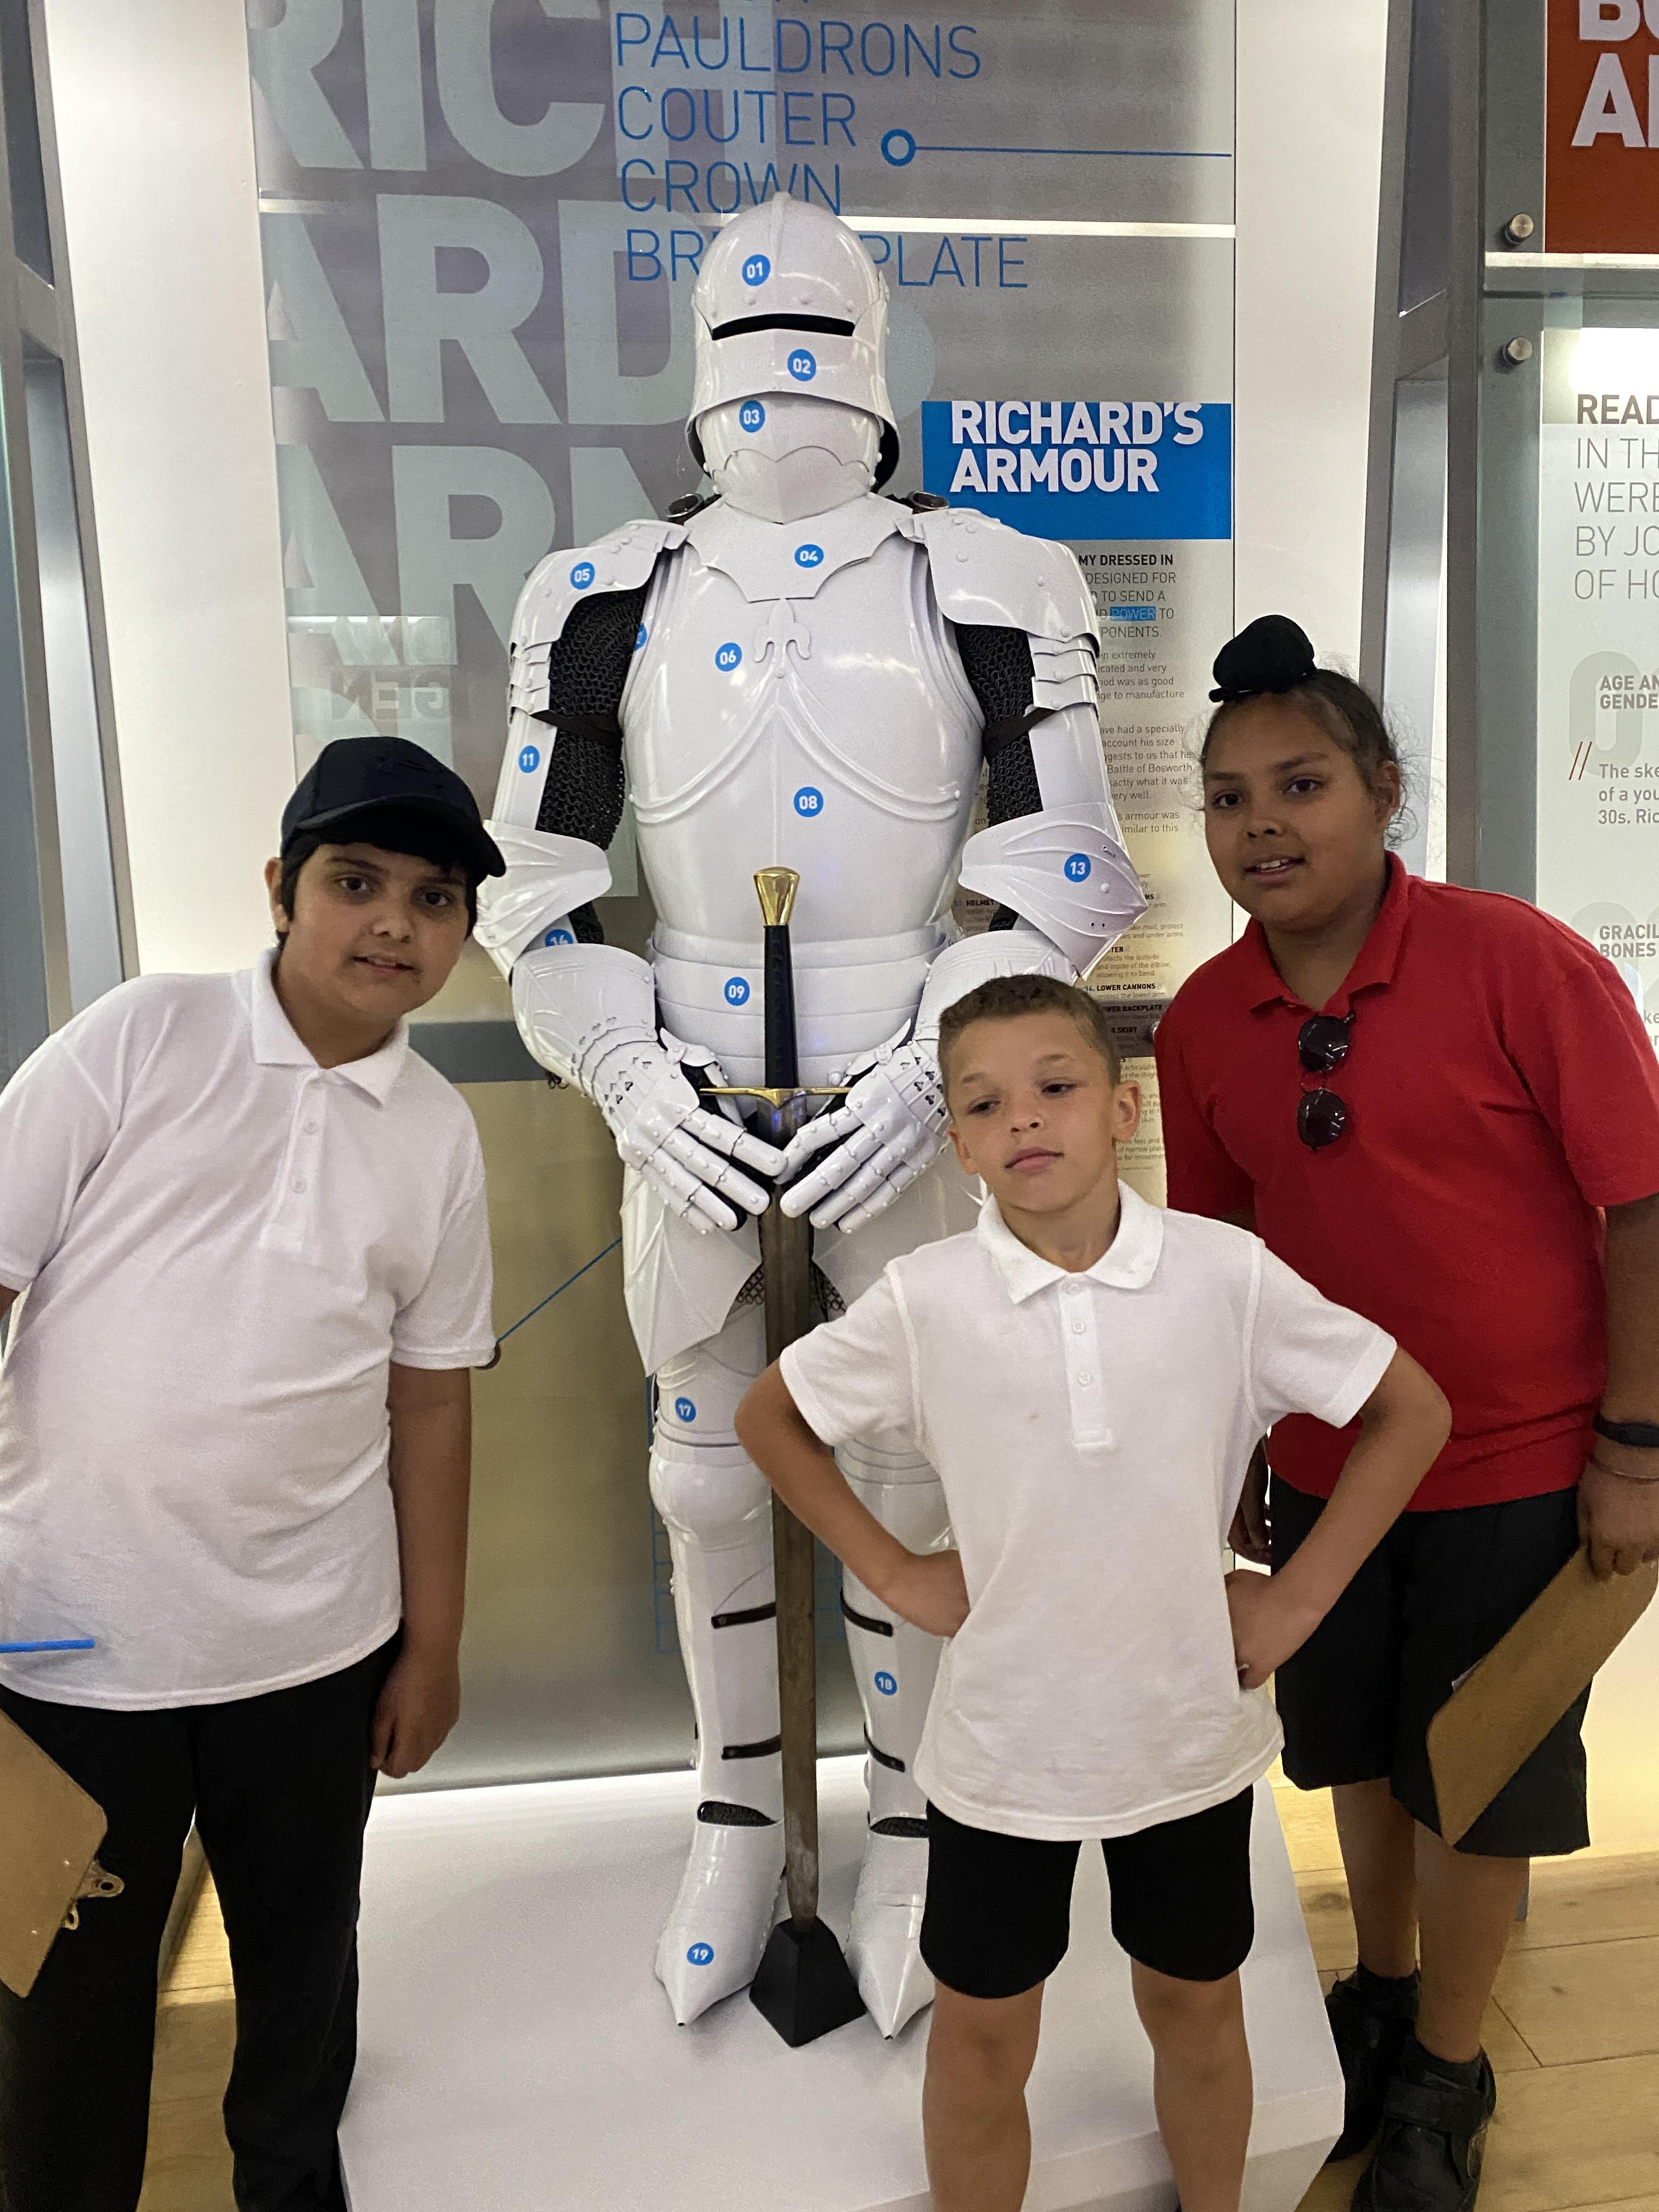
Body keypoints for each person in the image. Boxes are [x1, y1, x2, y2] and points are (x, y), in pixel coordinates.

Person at [735, 973, 1451, 2212]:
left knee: (1195, 2004)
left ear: (1123, 1110)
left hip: (1183, 1736)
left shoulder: (1225, 1276)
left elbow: (1410, 1410)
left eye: (1055, 1087)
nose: (1024, 1118)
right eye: (984, 1104)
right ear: (959, 1144)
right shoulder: (927, 1301)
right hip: (1004, 1748)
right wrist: (894, 1569)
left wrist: (1295, 1601)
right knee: (981, 2033)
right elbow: (772, 1417)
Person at [1154, 616, 1659, 2212]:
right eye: (1229, 798)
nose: (1262, 826)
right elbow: (1222, 1261)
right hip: (1328, 1468)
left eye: (1301, 785)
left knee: (1478, 1770)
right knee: (1357, 1757)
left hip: (1521, 1463)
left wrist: (1639, 1443)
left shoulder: (1520, 962)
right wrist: (1239, 1448)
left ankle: (1450, 2066)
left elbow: (1644, 1202)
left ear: (1386, 789)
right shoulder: (1201, 1020)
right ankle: (1380, 1992)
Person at [0, 736, 502, 2212]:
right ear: (282, 889)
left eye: (435, 898)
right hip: (66, 1647)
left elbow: (431, 1403)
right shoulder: (142, 1036)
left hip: (312, 1656)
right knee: (60, 2017)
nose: (395, 924)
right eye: (357, 882)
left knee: (301, 1991)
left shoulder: (438, 1134)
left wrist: (434, 1643)